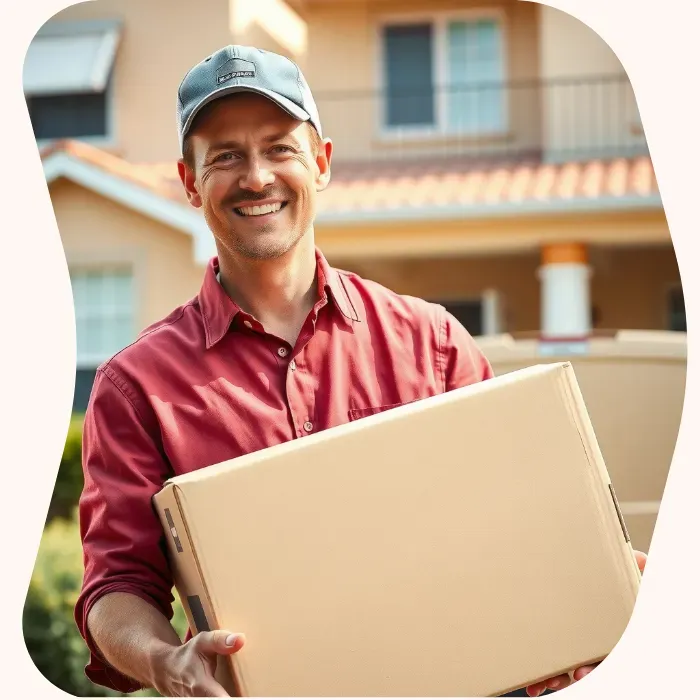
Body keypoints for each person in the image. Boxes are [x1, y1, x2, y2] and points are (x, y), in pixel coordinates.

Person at [75, 45, 647, 698]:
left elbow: (521, 530)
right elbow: (116, 587)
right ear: (188, 180)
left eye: (279, 148)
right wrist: (160, 659)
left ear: (320, 163)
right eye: (225, 155)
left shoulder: (430, 343)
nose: (256, 177)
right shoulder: (137, 387)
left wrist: (594, 585)